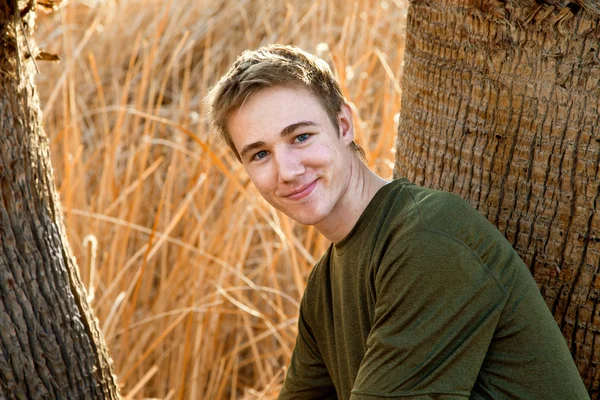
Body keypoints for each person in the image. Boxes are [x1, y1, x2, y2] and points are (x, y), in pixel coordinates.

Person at [205, 44, 589, 399]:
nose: (286, 171)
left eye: (302, 137)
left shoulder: (429, 236)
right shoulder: (323, 289)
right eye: (259, 155)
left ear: (343, 125)